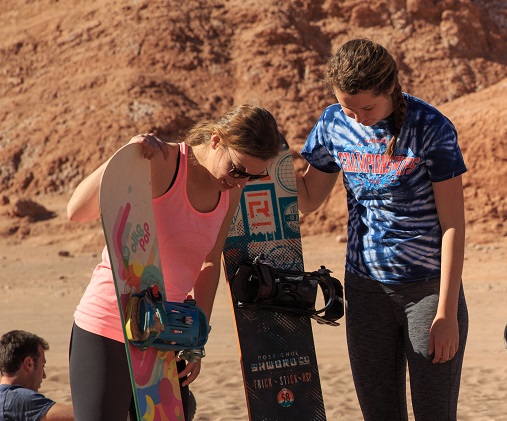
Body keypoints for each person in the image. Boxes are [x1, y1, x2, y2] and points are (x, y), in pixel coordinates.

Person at [65, 104, 284, 420]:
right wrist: (124, 157)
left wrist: (197, 338)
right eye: (237, 169)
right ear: (216, 140)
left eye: (253, 176)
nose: (240, 182)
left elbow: (209, 263)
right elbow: (77, 210)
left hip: (166, 337)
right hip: (107, 326)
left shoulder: (230, 191)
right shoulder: (162, 162)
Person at [296, 38, 468, 420]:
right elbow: (308, 199)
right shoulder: (333, 123)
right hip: (365, 291)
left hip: (428, 293)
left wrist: (446, 313)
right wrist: (268, 164)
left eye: (367, 107)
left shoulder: (431, 127)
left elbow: (453, 224)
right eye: (348, 108)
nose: (358, 117)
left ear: (390, 87)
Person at [0, 330, 74, 421]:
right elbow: (83, 416)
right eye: (42, 366)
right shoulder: (18, 399)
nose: (44, 375)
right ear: (29, 364)